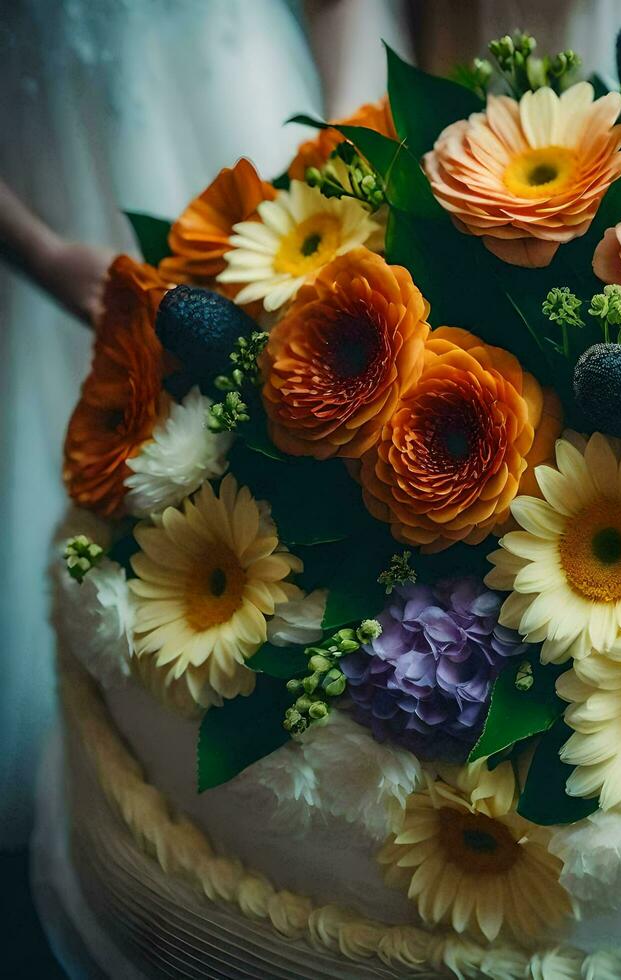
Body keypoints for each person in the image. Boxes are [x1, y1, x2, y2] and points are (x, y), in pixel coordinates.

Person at [0, 0, 406, 850]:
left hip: (265, 136)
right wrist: (35, 252)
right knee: (124, 506)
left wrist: (342, 130)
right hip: (49, 180)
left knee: (311, 468)